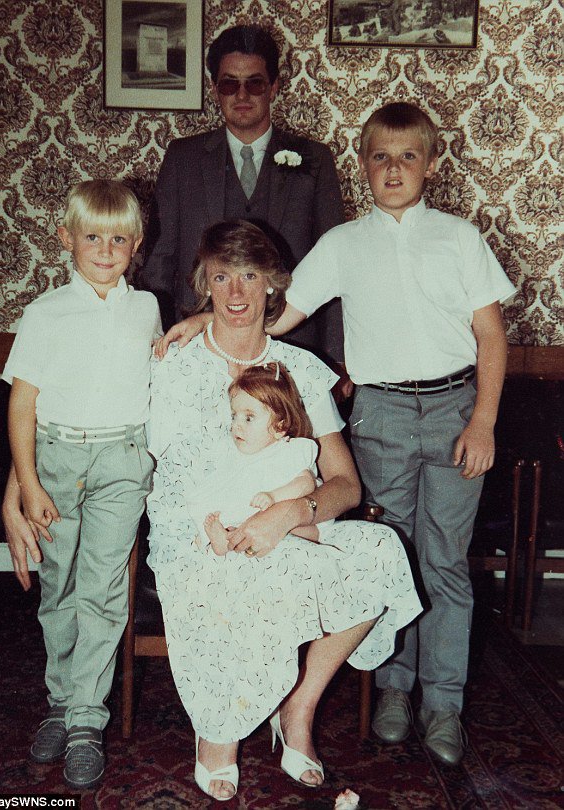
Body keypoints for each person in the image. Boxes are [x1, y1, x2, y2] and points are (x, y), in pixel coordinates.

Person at [268, 102, 517, 765]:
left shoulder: (460, 238)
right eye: (381, 156)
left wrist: (484, 421)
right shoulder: (344, 244)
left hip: (455, 412)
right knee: (391, 558)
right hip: (378, 416)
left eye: (409, 155)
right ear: (364, 166)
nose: (395, 167)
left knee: (444, 561)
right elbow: (278, 319)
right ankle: (395, 692)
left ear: (433, 164)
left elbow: (491, 336)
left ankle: (443, 703)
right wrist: (205, 326)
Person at [147, 219, 421, 801]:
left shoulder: (298, 369)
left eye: (250, 276)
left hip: (287, 518)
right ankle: (216, 733)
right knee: (240, 570)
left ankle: (297, 709)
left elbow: (345, 484)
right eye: (222, 277)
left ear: (274, 283)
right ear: (204, 283)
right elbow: (172, 477)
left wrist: (291, 511)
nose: (238, 293)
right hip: (201, 524)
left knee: (380, 552)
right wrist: (232, 524)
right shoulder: (178, 363)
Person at [2, 180, 160, 790]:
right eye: (92, 236)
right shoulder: (45, 315)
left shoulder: (147, 308)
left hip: (122, 460)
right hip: (58, 461)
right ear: (66, 238)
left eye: (118, 239)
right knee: (58, 586)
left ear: (136, 246)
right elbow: (22, 407)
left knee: (102, 590)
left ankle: (87, 720)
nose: (104, 249)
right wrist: (29, 484)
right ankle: (60, 704)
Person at [141, 23, 345, 360]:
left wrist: (336, 357)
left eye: (254, 82)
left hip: (293, 345)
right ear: (214, 88)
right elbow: (158, 265)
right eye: (229, 84)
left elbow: (336, 264)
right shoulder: (182, 158)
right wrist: (163, 342)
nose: (242, 95)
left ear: (274, 86)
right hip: (196, 343)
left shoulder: (314, 159)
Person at [189, 363, 322, 555]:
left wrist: (273, 496)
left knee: (301, 531)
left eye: (249, 418)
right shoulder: (239, 453)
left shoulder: (288, 451)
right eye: (235, 416)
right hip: (257, 518)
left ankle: (229, 539)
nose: (236, 426)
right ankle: (226, 538)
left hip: (294, 517)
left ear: (280, 427)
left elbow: (306, 483)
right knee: (217, 505)